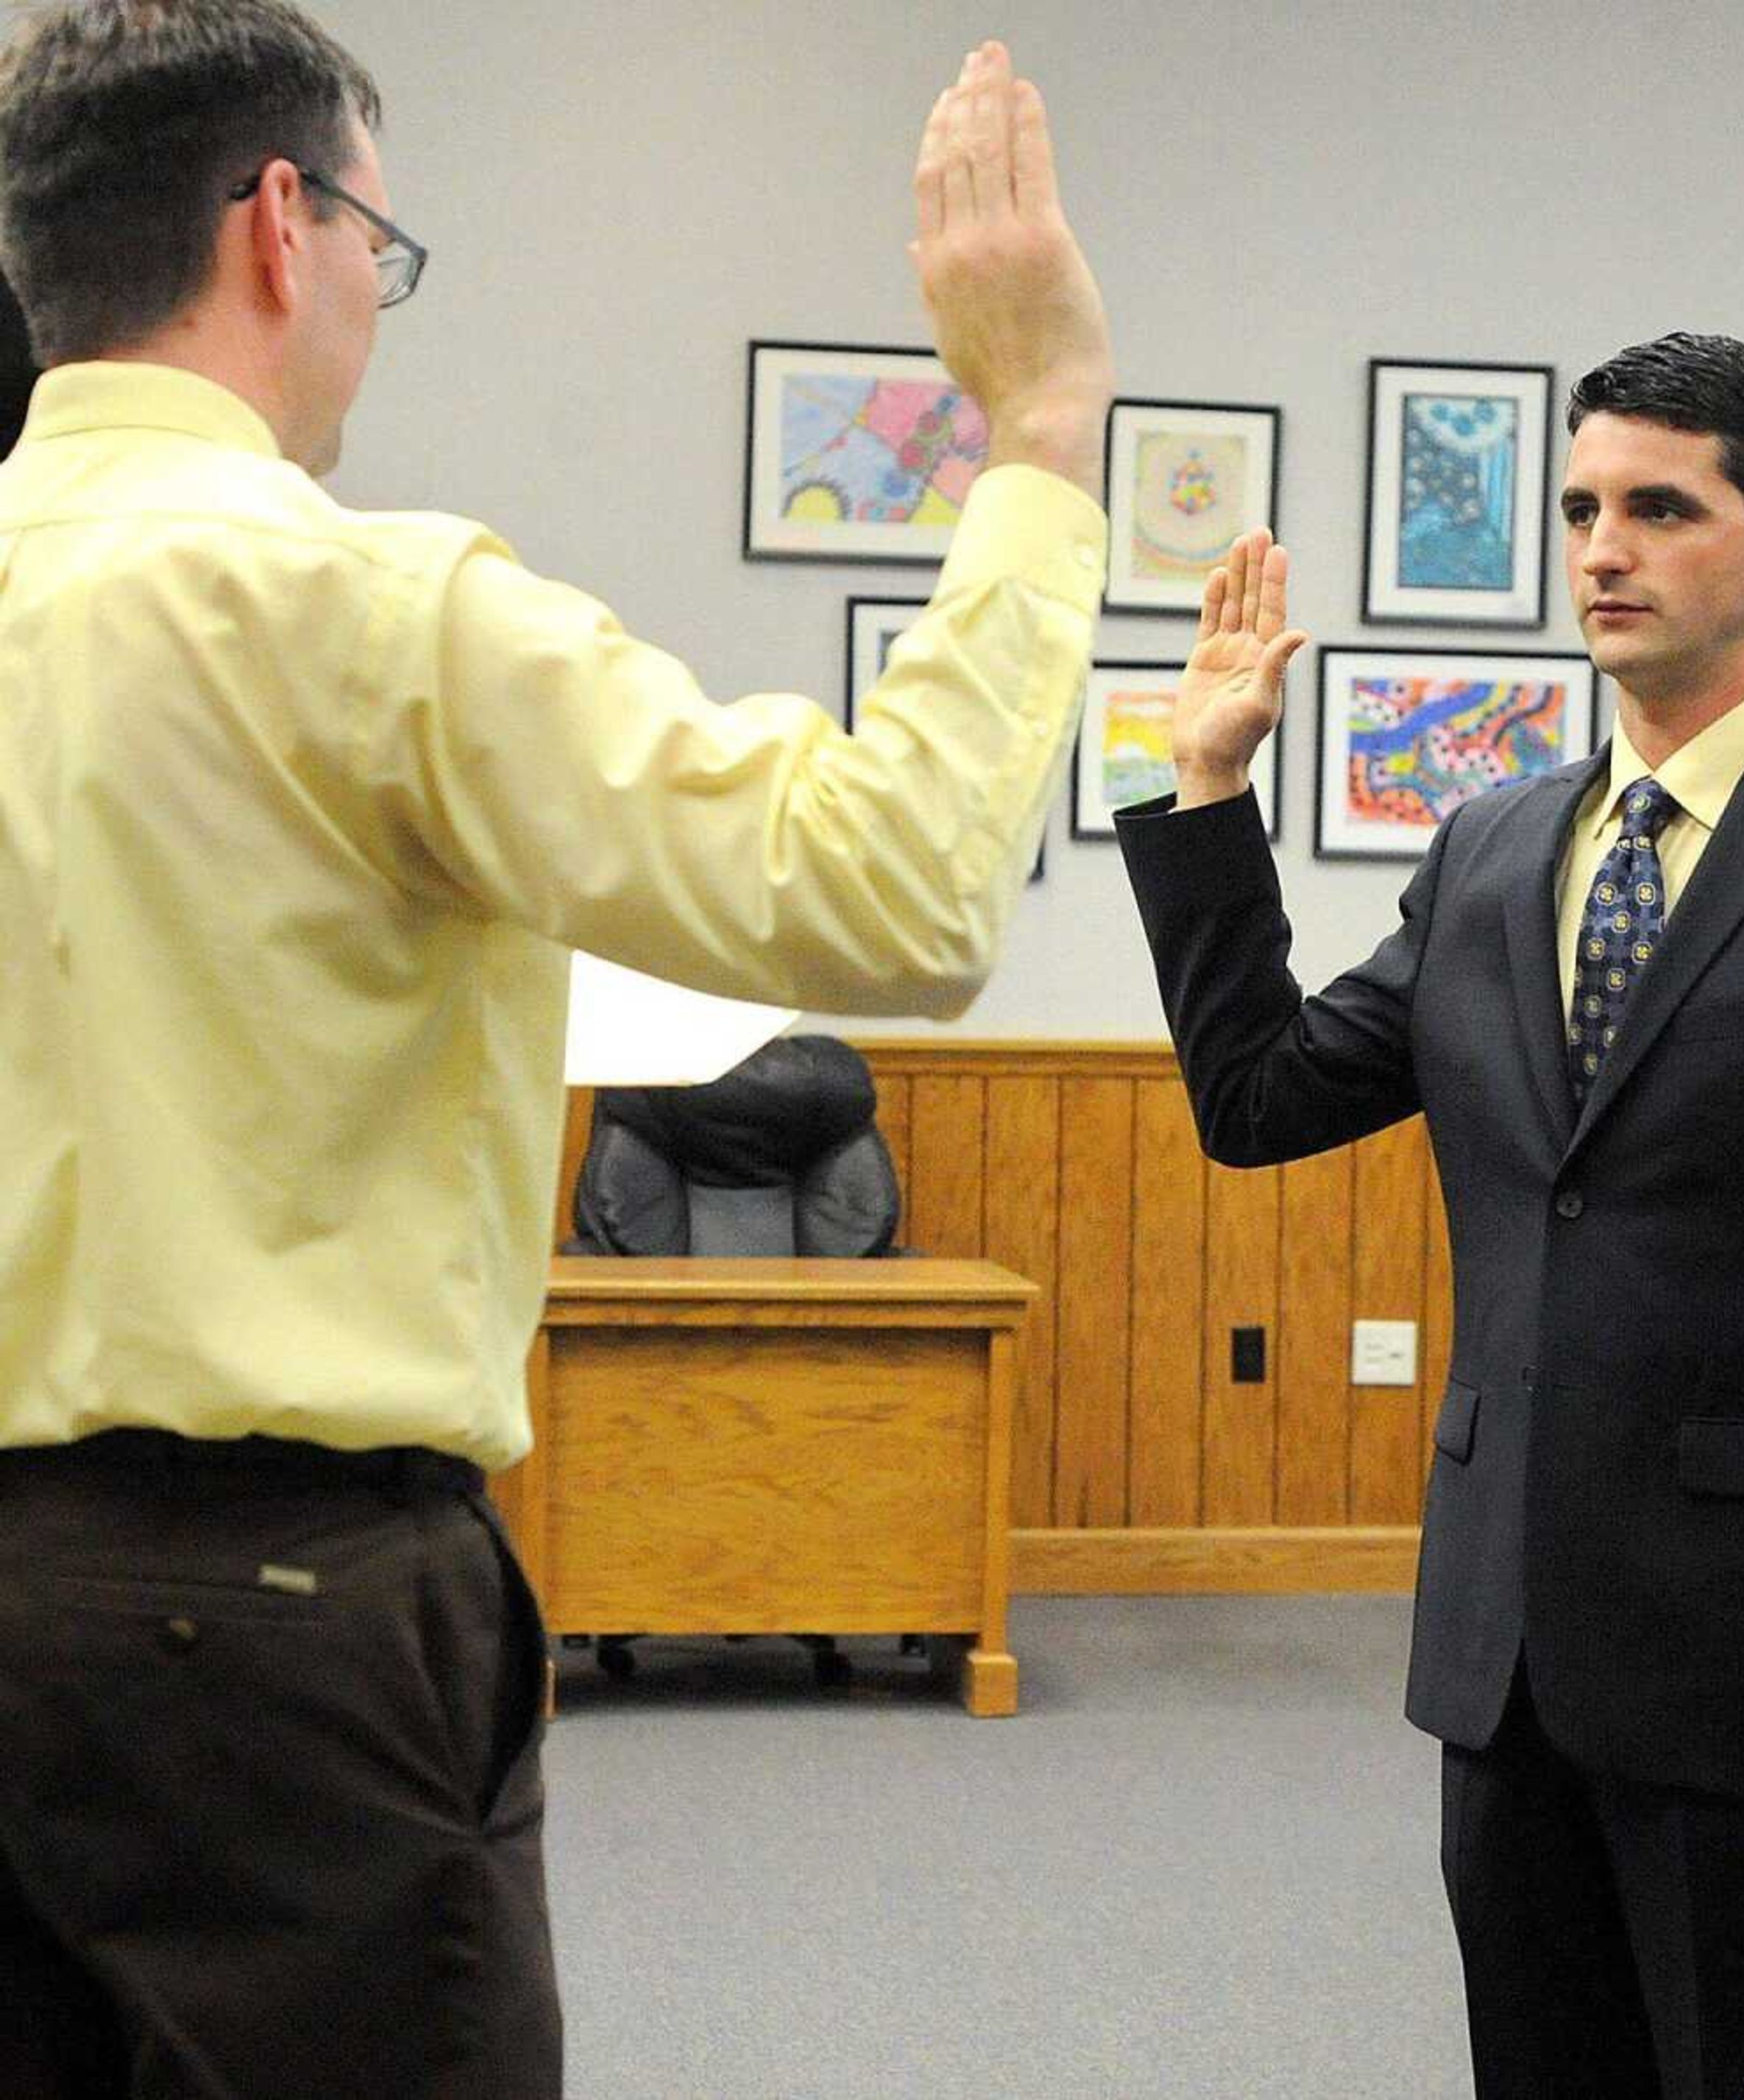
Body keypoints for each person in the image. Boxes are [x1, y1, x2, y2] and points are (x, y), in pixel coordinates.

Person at [0, 5, 1110, 2091]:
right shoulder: (369, 614)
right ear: (278, 226)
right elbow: (899, 897)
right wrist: (1038, 429)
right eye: (380, 252)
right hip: (278, 1612)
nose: (370, 307)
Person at [1121, 333, 1744, 2100]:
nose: (1601, 548)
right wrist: (1209, 788)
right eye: (1577, 509)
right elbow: (1258, 1098)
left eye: (1656, 508)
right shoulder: (1492, 844)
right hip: (1506, 1650)